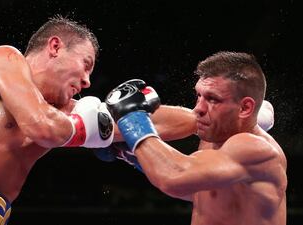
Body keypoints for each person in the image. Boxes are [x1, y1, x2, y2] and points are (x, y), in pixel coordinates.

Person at [0, 15, 120, 225]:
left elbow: (130, 121)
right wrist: (84, 128)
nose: (87, 81)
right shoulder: (3, 59)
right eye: (86, 64)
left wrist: (141, 114)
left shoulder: (63, 112)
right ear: (55, 47)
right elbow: (42, 126)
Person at [105, 51, 287, 225]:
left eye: (213, 99)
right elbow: (200, 192)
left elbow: (174, 178)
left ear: (245, 108)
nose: (198, 108)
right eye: (199, 95)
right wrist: (139, 158)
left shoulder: (254, 147)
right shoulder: (212, 139)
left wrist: (132, 120)